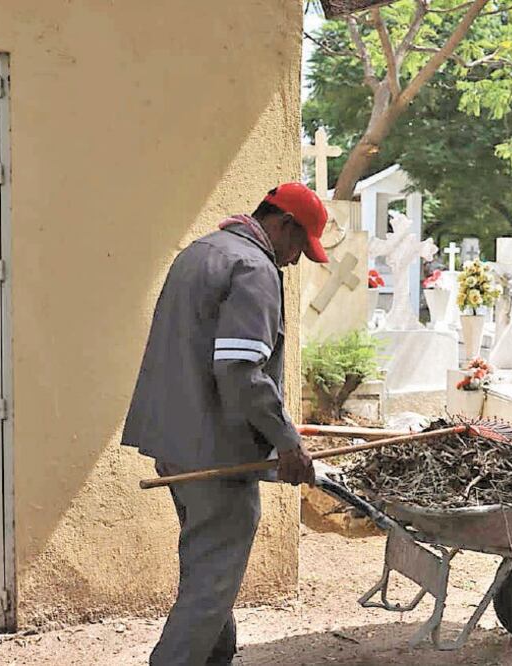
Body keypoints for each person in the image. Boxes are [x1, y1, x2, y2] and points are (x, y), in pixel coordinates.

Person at [121, 183, 328, 665]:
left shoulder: (200, 251)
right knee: (213, 576)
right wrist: (287, 442)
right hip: (215, 449)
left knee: (208, 563)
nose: (295, 260)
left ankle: (217, 656)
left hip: (174, 440)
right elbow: (240, 371)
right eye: (299, 246)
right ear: (282, 224)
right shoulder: (255, 268)